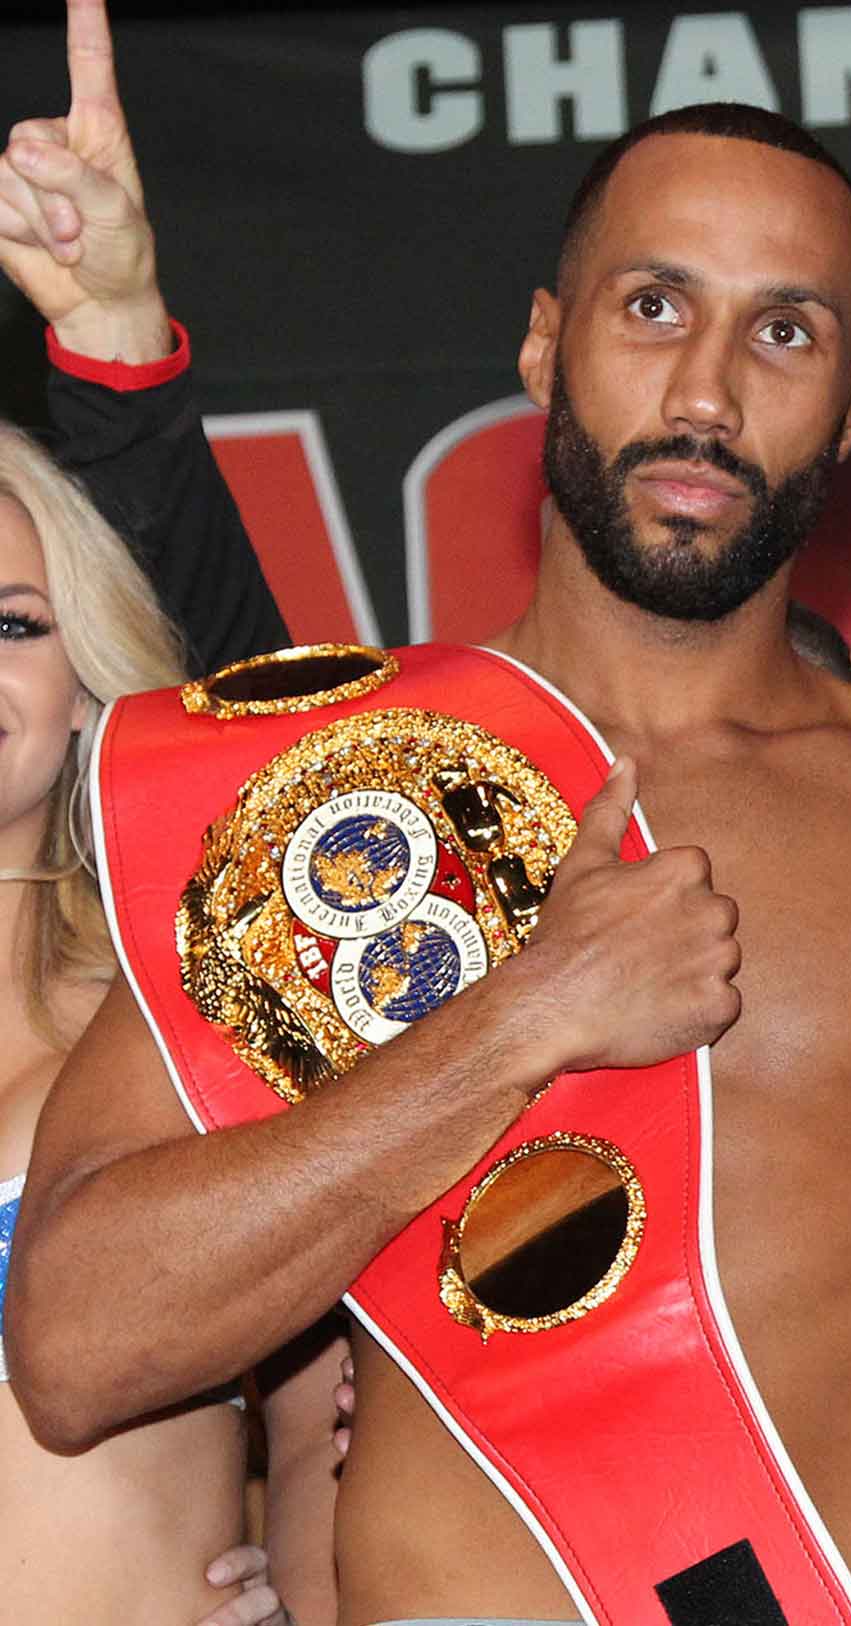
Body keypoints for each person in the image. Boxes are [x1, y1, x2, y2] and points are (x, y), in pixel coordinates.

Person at [5, 88, 851, 1626]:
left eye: (785, 332)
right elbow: (74, 1350)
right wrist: (524, 1019)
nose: (710, 392)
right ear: (546, 344)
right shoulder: (343, 791)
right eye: (655, 304)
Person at [1, 6, 336, 1619]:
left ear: (87, 681)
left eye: (12, 621)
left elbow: (301, 803)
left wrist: (122, 345)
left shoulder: (179, 1033)